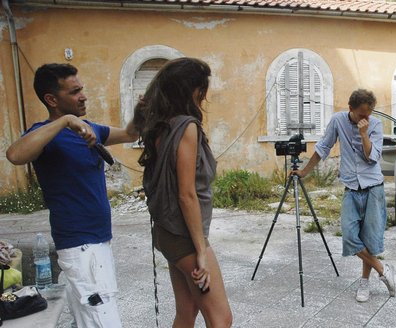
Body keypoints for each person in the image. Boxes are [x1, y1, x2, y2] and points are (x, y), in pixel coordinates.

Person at [5, 63, 139, 326]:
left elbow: (131, 133)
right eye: (75, 91)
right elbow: (14, 155)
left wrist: (141, 111)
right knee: (103, 320)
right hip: (80, 245)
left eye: (82, 90)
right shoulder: (44, 134)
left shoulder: (90, 129)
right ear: (52, 99)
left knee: (91, 319)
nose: (83, 96)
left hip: (99, 241)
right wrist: (66, 121)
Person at [133, 57, 232, 327]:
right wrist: (201, 250)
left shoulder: (160, 125)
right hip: (184, 236)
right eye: (202, 89)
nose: (204, 96)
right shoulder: (186, 126)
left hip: (168, 233)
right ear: (192, 90)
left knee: (186, 313)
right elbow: (186, 194)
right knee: (221, 319)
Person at [293, 89, 396, 303]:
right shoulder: (338, 120)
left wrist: (364, 134)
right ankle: (383, 269)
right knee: (350, 237)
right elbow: (323, 147)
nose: (365, 118)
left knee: (369, 239)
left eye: (369, 113)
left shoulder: (374, 125)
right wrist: (304, 171)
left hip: (373, 188)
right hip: (351, 188)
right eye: (361, 114)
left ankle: (364, 282)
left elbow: (372, 158)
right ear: (351, 109)